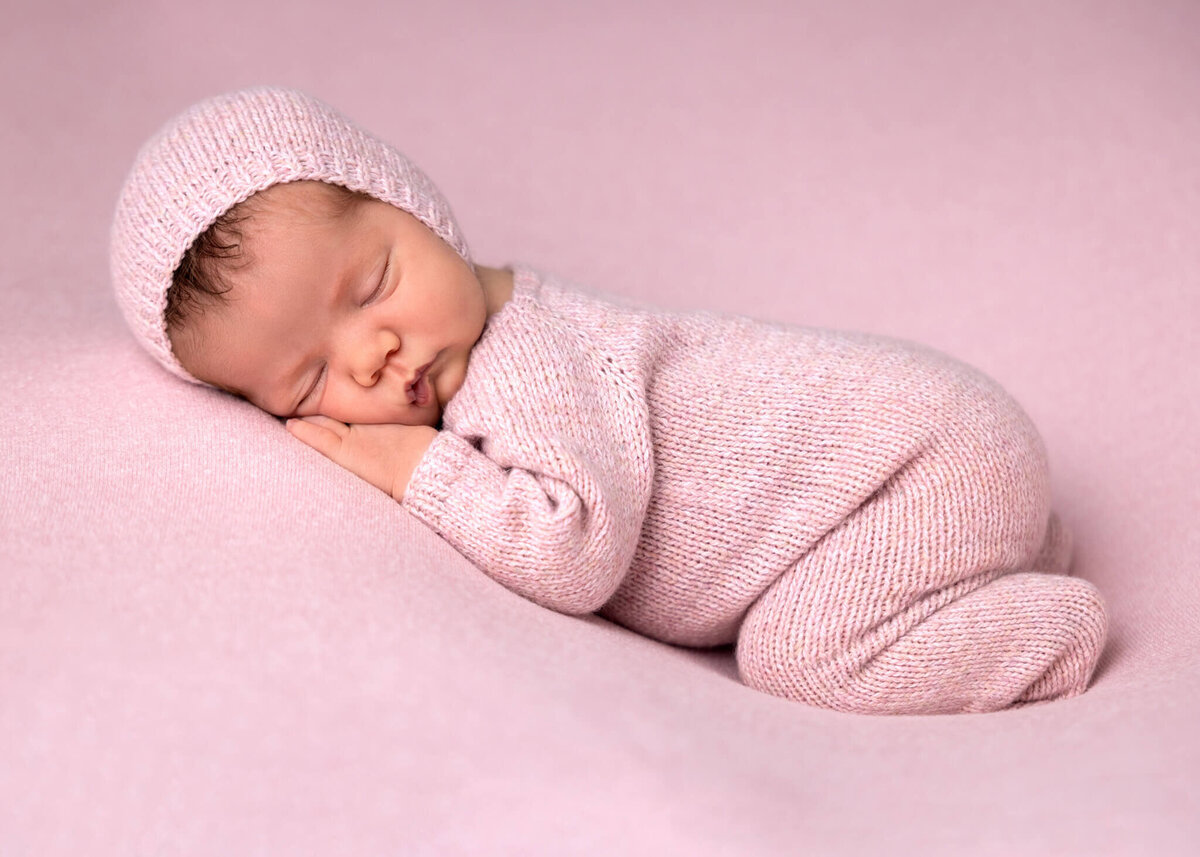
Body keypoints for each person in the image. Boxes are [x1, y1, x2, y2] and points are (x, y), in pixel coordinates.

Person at [111, 86, 1108, 715]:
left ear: (412, 204)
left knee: (797, 655)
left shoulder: (533, 355)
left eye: (371, 283)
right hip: (925, 469)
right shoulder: (488, 345)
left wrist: (417, 468)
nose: (371, 354)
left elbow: (577, 549)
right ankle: (984, 560)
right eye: (308, 380)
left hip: (919, 462)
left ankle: (1050, 627)